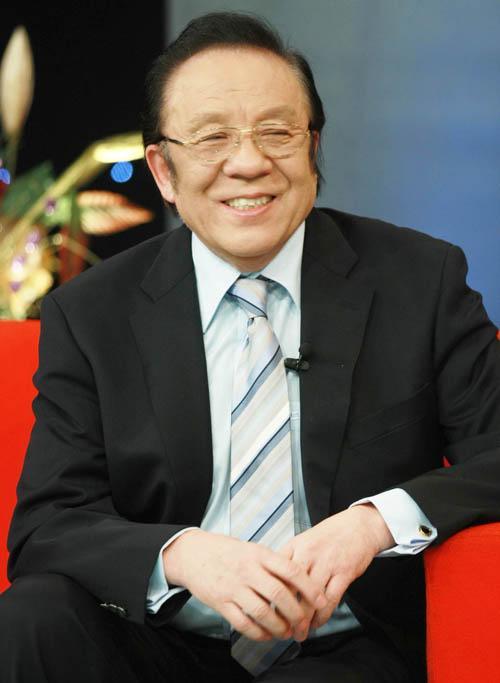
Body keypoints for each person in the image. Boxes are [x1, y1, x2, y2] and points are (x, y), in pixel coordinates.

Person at [1, 11, 499, 683]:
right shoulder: (93, 312)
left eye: (276, 132)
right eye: (213, 138)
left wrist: (375, 522)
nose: (248, 162)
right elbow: (48, 526)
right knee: (31, 618)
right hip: (161, 641)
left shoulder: (419, 279)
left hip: (344, 649)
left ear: (312, 149)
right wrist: (182, 555)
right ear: (163, 170)